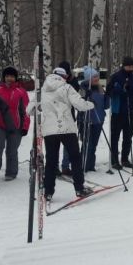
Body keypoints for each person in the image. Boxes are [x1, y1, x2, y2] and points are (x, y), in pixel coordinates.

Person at [28, 67, 94, 201]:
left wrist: (41, 108)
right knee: (75, 158)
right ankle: (79, 188)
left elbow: (29, 110)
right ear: (64, 76)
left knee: (51, 161)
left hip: (49, 130)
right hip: (67, 129)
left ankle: (48, 191)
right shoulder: (67, 88)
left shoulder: (42, 90)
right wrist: (90, 104)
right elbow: (80, 105)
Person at [0, 66, 30, 181]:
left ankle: (11, 172)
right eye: (7, 76)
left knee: (12, 150)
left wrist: (25, 126)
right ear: (4, 77)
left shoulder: (21, 92)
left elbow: (26, 110)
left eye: (12, 76)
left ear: (16, 78)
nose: (9, 78)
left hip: (16, 126)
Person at [106, 56, 133, 169]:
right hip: (118, 111)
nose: (131, 68)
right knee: (115, 136)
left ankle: (125, 159)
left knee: (128, 136)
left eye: (132, 66)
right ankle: (114, 160)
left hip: (129, 111)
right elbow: (109, 91)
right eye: (129, 66)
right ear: (124, 65)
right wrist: (119, 89)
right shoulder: (116, 77)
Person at [78, 67, 109, 172]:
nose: (97, 78)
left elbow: (106, 106)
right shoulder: (83, 88)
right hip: (87, 120)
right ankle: (83, 165)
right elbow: (79, 104)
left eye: (97, 76)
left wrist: (107, 96)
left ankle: (91, 165)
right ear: (88, 79)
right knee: (87, 144)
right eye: (94, 77)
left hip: (99, 120)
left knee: (94, 145)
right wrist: (87, 96)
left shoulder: (100, 88)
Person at [58, 60, 79, 175]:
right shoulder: (54, 81)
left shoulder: (73, 81)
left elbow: (75, 94)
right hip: (55, 117)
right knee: (54, 144)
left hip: (68, 116)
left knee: (68, 144)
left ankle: (65, 166)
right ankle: (54, 167)